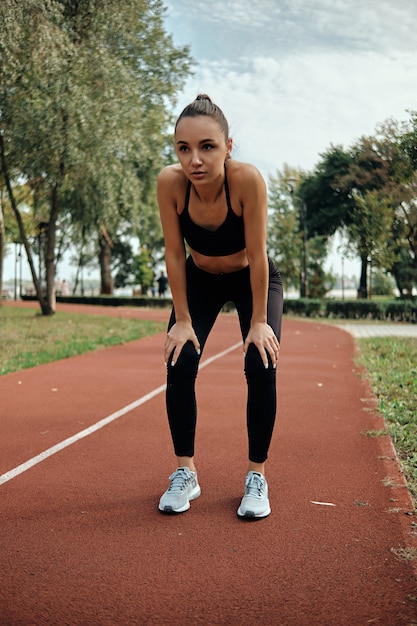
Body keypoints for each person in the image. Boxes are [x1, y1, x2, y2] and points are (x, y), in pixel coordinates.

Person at [157, 94, 283, 519]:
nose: (195, 159)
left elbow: (259, 253)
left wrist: (260, 322)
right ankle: (185, 473)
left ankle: (256, 476)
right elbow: (175, 255)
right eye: (184, 148)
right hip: (200, 280)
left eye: (207, 146)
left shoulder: (247, 180)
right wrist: (183, 320)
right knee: (180, 361)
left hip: (253, 278)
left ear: (228, 147)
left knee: (260, 363)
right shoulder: (169, 184)